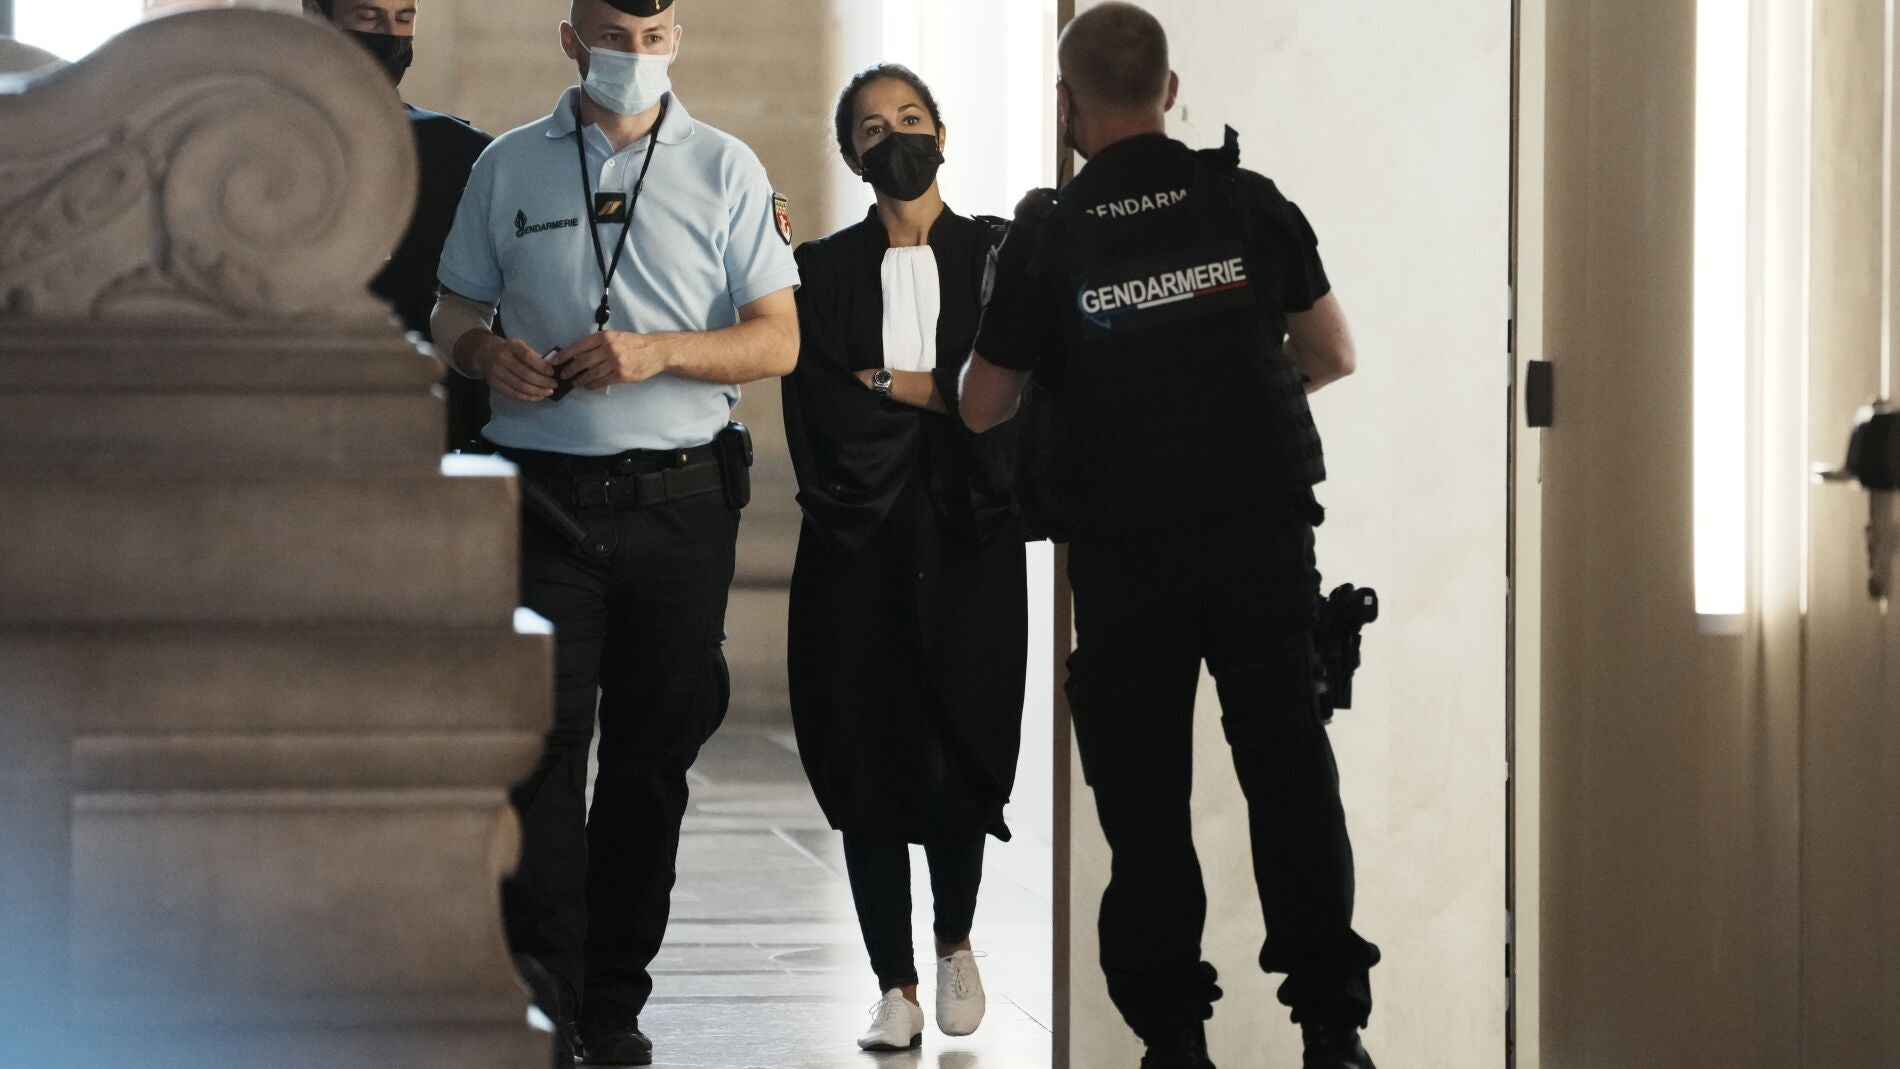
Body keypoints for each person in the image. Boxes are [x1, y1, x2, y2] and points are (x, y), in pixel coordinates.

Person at [958, 5, 1379, 1069]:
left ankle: (1175, 1042)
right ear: (1171, 91)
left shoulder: (1049, 235)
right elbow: (1332, 353)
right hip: (1260, 542)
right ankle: (1332, 1031)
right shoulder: (1247, 202)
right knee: (1290, 776)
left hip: (1125, 556)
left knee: (1145, 803)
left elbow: (981, 405)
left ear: (1067, 103)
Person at [430, 0, 800, 1064]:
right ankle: (545, 986)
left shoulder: (727, 167)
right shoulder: (507, 164)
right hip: (543, 504)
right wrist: (480, 355)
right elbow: (454, 308)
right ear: (571, 40)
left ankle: (613, 996)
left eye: (654, 37)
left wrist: (659, 351)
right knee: (539, 750)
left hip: (679, 505)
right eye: (613, 38)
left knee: (651, 756)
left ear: (675, 39)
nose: (635, 56)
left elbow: (776, 341)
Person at [782, 64, 1027, 1053]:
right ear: (853, 155)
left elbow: (1015, 396)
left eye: (911, 118)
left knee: (960, 737)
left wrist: (898, 382)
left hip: (970, 533)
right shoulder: (821, 271)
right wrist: (950, 396)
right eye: (874, 128)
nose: (896, 138)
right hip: (858, 540)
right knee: (865, 749)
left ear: (943, 133)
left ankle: (955, 939)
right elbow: (821, 401)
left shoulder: (997, 256)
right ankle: (894, 982)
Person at [308, 0, 495, 452]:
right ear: (316, 15)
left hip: (431, 418)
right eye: (368, 18)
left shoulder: (461, 154)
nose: (390, 37)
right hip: (309, 412)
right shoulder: (264, 141)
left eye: (404, 19)